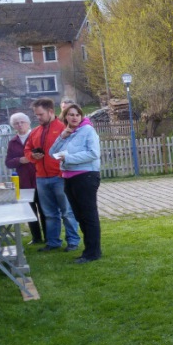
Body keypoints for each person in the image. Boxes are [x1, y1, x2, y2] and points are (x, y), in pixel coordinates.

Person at [25, 98, 81, 252]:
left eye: (41, 114)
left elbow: (72, 149)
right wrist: (32, 156)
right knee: (49, 213)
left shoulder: (64, 128)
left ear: (51, 112)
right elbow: (28, 149)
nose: (38, 118)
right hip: (41, 178)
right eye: (36, 115)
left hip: (60, 177)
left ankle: (73, 241)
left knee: (67, 212)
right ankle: (53, 242)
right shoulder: (35, 131)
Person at [49, 105, 102, 263]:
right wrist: (62, 137)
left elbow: (93, 154)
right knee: (79, 216)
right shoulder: (68, 133)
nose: (74, 117)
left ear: (81, 116)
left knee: (89, 215)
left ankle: (93, 252)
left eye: (77, 114)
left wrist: (68, 158)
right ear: (65, 117)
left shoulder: (87, 130)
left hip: (86, 176)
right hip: (68, 177)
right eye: (70, 115)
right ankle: (89, 250)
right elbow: (52, 153)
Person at [5, 112, 45, 244]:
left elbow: (45, 154)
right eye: (16, 123)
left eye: (22, 122)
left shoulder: (36, 137)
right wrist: (19, 160)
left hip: (40, 177)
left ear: (28, 123)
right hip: (24, 181)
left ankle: (49, 237)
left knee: (45, 210)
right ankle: (36, 238)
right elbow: (8, 162)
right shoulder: (13, 142)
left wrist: (33, 157)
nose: (20, 125)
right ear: (13, 126)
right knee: (30, 210)